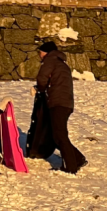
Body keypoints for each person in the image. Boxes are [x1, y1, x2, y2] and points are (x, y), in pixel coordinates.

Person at [35, 41, 87, 173]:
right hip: (66, 104)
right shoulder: (63, 64)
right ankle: (78, 158)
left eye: (40, 52)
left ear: (45, 52)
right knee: (58, 134)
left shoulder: (50, 61)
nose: (39, 55)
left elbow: (42, 78)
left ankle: (70, 167)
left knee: (59, 135)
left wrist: (39, 89)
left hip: (57, 103)